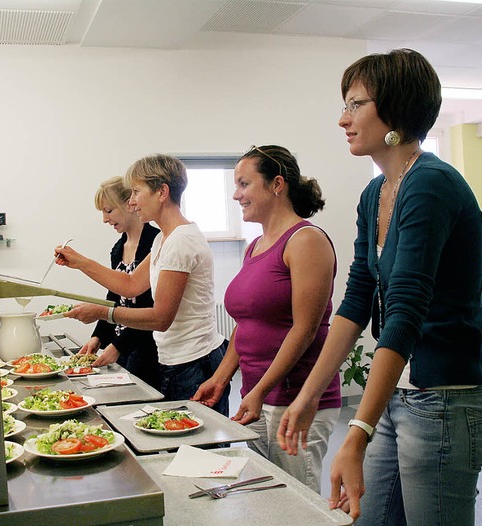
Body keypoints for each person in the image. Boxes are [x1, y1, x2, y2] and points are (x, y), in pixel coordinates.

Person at [276, 48, 482, 525]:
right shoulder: (375, 192)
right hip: (399, 395)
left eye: (355, 104)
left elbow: (405, 311)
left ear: (394, 110)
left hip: (445, 399)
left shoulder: (431, 183)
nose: (343, 119)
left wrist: (356, 430)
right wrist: (310, 392)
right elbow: (357, 300)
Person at [191, 145, 340, 493]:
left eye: (244, 184)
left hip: (295, 399)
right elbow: (246, 324)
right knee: (269, 496)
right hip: (257, 395)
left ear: (277, 185)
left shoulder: (307, 240)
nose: (236, 194)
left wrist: (260, 390)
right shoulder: (255, 245)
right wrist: (221, 377)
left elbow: (304, 330)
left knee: (299, 502)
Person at [55, 154, 230, 415]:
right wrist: (79, 262)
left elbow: (161, 318)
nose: (132, 201)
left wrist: (102, 313)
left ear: (162, 192)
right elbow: (129, 285)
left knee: (197, 450)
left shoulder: (181, 241)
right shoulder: (165, 239)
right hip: (175, 360)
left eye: (136, 191)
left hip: (195, 362)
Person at [77, 176, 160, 389]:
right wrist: (97, 337)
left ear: (130, 204)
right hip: (123, 345)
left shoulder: (156, 242)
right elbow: (113, 299)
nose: (105, 219)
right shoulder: (117, 249)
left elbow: (149, 308)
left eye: (109, 210)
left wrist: (118, 346)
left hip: (148, 348)